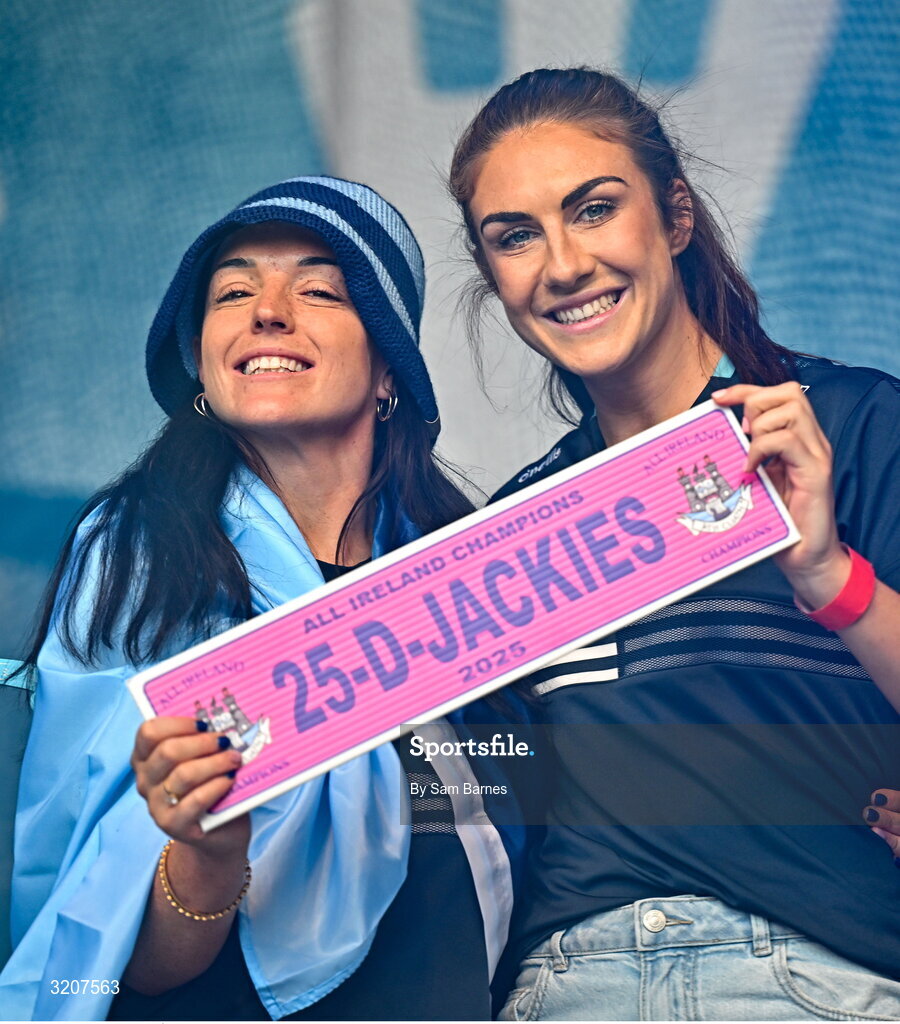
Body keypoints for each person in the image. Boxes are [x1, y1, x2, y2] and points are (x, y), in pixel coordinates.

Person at [0, 176, 516, 1021]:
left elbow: (525, 819)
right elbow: (129, 961)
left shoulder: (475, 578)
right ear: (203, 362)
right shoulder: (137, 558)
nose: (267, 312)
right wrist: (206, 853)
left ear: (391, 371)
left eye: (318, 290)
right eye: (233, 291)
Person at [448, 67, 900, 1020]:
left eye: (595, 210)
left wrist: (826, 572)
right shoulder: (512, 526)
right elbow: (482, 802)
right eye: (515, 236)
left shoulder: (847, 427)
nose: (563, 264)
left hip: (806, 978)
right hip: (564, 988)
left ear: (676, 217)